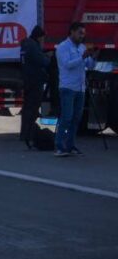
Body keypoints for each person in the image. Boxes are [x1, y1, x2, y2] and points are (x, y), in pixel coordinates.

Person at [54, 21, 97, 157]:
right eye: (79, 33)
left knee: (76, 118)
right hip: (68, 87)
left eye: (83, 34)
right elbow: (67, 65)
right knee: (66, 117)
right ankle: (59, 146)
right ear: (72, 32)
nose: (82, 36)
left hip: (80, 87)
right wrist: (82, 57)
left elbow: (89, 66)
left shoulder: (81, 47)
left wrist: (93, 57)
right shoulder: (63, 47)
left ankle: (70, 145)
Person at [19, 25, 50, 149]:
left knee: (27, 109)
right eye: (43, 38)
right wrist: (48, 57)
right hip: (34, 81)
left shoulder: (25, 44)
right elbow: (42, 61)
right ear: (39, 36)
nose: (43, 41)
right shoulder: (33, 46)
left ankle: (25, 133)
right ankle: (29, 134)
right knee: (32, 109)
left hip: (27, 80)